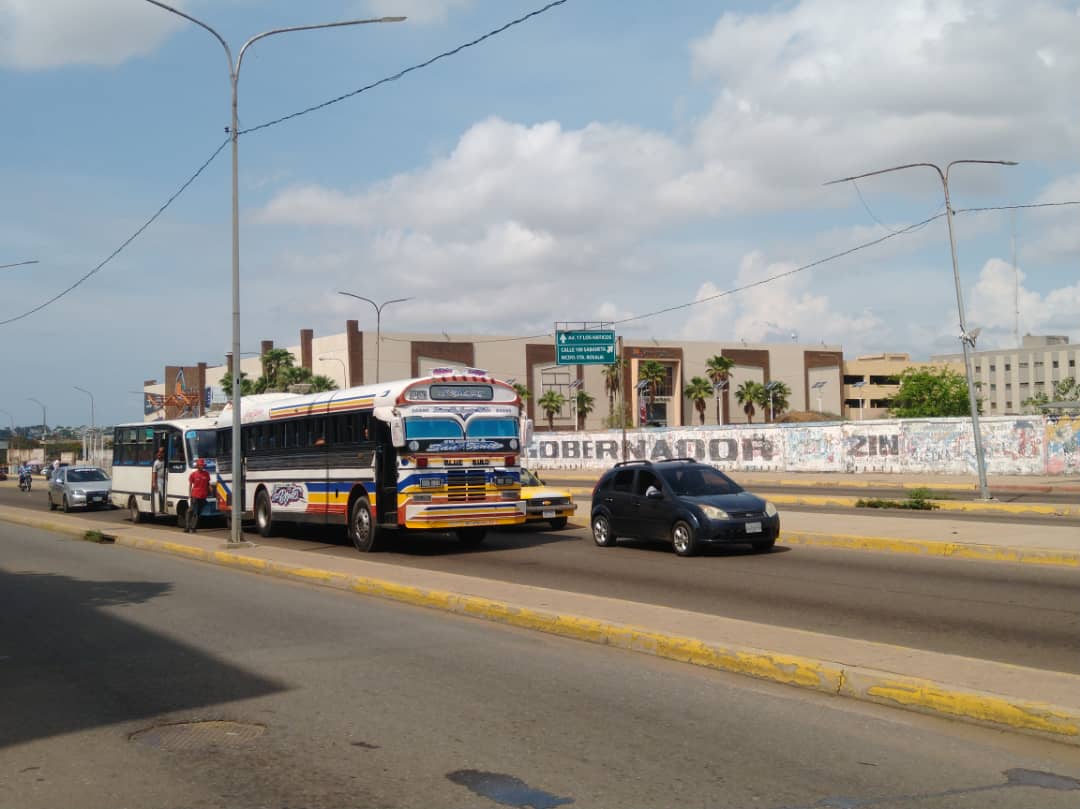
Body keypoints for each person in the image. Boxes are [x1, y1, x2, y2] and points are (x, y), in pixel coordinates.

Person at [185, 458, 211, 534]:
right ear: (198, 466)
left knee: (198, 512)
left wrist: (211, 490)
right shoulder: (193, 474)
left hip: (203, 496)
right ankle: (189, 527)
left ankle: (192, 527)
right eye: (200, 465)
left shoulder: (206, 474)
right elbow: (190, 485)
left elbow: (208, 484)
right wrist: (189, 494)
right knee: (193, 511)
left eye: (203, 465)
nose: (202, 466)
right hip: (195, 495)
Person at [152, 447, 166, 514]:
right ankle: (162, 508)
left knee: (165, 493)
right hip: (159, 480)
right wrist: (154, 483)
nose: (160, 453)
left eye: (162, 452)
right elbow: (154, 473)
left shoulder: (165, 461)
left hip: (165, 479)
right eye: (159, 452)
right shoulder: (156, 463)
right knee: (162, 493)